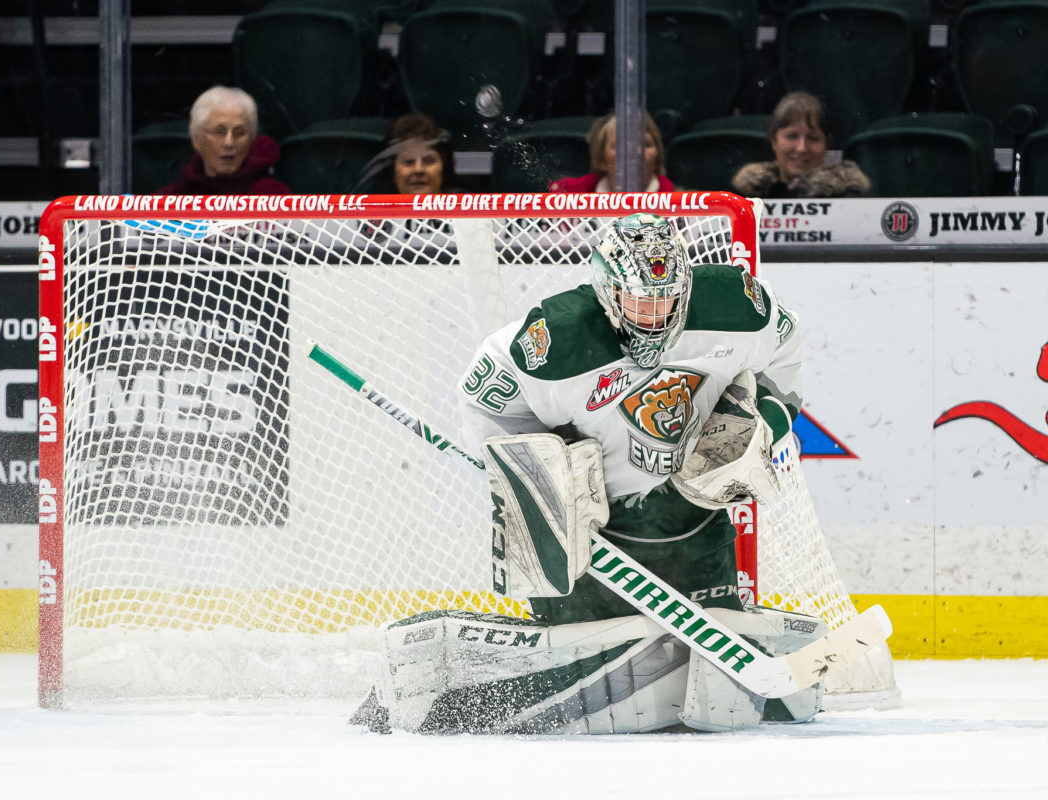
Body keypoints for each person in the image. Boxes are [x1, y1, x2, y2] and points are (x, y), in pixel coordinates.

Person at [353, 213, 824, 735]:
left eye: (666, 301)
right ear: (607, 289)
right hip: (590, 525)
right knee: (575, 659)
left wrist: (762, 423)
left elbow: (787, 353)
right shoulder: (556, 339)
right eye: (639, 303)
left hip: (691, 509)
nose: (653, 317)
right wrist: (540, 478)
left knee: (714, 656)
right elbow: (485, 401)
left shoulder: (737, 308)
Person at [732, 91, 870, 198]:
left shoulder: (851, 197)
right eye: (792, 136)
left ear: (827, 144)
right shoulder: (745, 196)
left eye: (813, 138)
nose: (802, 148)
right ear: (774, 141)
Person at [160, 86, 289, 195]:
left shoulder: (273, 198)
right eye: (219, 132)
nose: (229, 143)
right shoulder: (168, 201)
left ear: (251, 140)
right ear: (196, 139)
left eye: (240, 133)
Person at [549, 111, 674, 193]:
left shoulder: (682, 207)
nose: (636, 153)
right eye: (620, 145)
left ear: (658, 156)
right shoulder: (566, 195)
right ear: (601, 159)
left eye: (646, 144)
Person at [377, 112, 456, 194]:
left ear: (444, 169)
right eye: (409, 162)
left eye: (429, 161)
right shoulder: (371, 205)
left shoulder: (465, 204)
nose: (418, 169)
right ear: (392, 173)